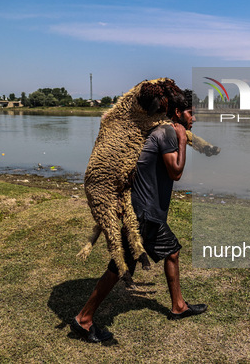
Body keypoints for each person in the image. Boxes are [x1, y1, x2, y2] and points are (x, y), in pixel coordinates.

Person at [71, 91, 206, 343]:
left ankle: (178, 305)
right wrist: (182, 142)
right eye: (191, 113)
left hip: (144, 211)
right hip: (144, 213)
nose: (194, 118)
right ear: (177, 113)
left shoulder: (160, 131)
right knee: (119, 266)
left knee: (168, 253)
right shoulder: (167, 133)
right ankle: (84, 318)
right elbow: (176, 172)